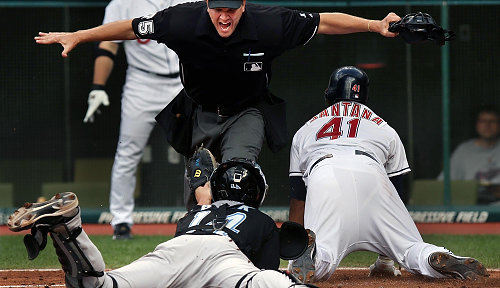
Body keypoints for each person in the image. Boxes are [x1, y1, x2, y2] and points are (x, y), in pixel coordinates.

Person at [34, 0, 401, 205]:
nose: (224, 17)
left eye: (232, 8)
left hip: (247, 110)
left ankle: (239, 245)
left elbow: (323, 22)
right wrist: (80, 35)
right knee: (197, 193)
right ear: (207, 3)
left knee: (237, 174)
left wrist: (375, 25)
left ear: (243, 4)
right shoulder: (181, 20)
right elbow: (130, 27)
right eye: (217, 8)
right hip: (200, 112)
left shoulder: (269, 22)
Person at [7, 156, 360, 288]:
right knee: (256, 283)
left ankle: (69, 228)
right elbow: (264, 267)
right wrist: (294, 273)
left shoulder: (196, 211)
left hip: (175, 249)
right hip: (226, 258)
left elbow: (201, 201)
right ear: (257, 194)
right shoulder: (262, 219)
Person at [287, 66, 489, 283]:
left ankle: (311, 255)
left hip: (326, 174)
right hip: (372, 174)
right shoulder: (384, 128)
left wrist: (294, 244)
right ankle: (432, 255)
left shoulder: (305, 130)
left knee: (320, 260)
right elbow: (397, 193)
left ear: (330, 93)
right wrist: (386, 258)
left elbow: (299, 197)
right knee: (411, 249)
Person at [85, 0, 193, 240]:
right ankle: (121, 222)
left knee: (196, 152)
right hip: (141, 83)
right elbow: (108, 45)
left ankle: (199, 216)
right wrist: (98, 86)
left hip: (183, 80)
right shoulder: (121, 3)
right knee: (127, 152)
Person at [438, 106, 500, 204]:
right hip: (469, 207)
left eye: (492, 121)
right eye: (483, 121)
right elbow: (442, 185)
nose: (487, 125)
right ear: (476, 125)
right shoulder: (463, 150)